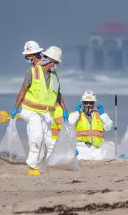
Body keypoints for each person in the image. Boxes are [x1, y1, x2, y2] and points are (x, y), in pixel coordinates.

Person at [10, 46, 68, 175]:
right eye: (56, 62)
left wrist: (65, 110)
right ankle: (32, 167)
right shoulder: (33, 72)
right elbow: (23, 91)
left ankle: (40, 166)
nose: (56, 65)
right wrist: (15, 108)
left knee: (47, 141)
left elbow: (57, 93)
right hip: (31, 111)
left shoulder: (54, 75)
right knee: (36, 137)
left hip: (46, 114)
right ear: (50, 61)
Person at [67, 90, 114, 160]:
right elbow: (69, 124)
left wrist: (103, 114)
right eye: (86, 103)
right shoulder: (76, 115)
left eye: (91, 103)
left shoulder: (99, 115)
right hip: (81, 147)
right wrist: (77, 112)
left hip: (96, 148)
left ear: (94, 104)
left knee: (111, 147)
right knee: (80, 158)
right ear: (82, 103)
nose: (88, 105)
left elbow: (108, 127)